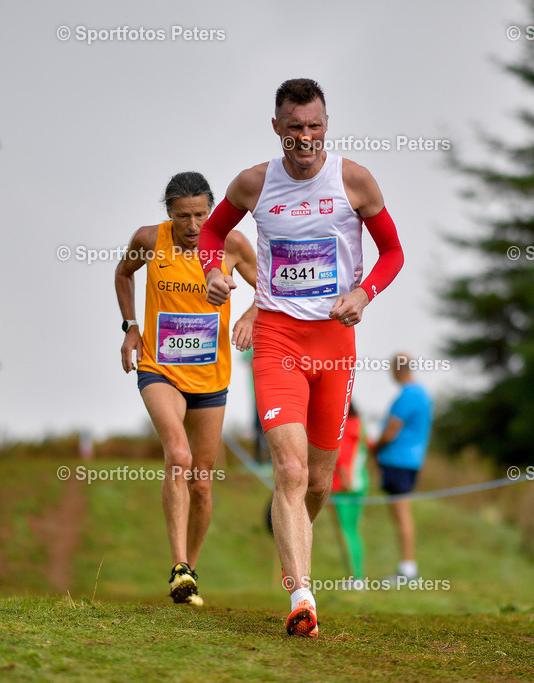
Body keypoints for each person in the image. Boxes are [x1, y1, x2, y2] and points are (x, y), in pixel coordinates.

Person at [199, 78, 404, 637]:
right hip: (279, 339)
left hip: (336, 343)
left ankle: (293, 550)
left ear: (326, 125)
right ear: (276, 128)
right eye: (294, 128)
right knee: (287, 470)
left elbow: (393, 252)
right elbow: (212, 234)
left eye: (314, 126)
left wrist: (364, 293)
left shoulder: (354, 180)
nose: (305, 138)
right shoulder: (253, 183)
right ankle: (303, 597)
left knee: (318, 483)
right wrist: (215, 275)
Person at [116, 171, 258, 607]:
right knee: (177, 456)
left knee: (201, 482)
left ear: (211, 210)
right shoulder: (148, 239)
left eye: (201, 215)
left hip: (211, 378)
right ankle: (177, 563)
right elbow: (124, 275)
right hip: (159, 369)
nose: (194, 226)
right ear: (169, 214)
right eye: (183, 217)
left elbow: (271, 288)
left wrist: (251, 315)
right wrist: (131, 327)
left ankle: (188, 576)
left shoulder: (231, 244)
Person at [371, 353, 433, 582]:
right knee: (401, 515)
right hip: (410, 460)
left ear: (398, 369)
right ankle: (407, 567)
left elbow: (390, 431)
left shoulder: (409, 394)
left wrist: (373, 449)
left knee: (402, 515)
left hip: (398, 461)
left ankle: (407, 569)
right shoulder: (422, 394)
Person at [330, 403, 369, 582]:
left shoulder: (342, 426)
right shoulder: (360, 426)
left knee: (345, 532)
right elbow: (367, 447)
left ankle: (354, 577)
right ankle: (357, 575)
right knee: (354, 531)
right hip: (360, 484)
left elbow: (342, 454)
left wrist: (345, 478)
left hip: (342, 487)